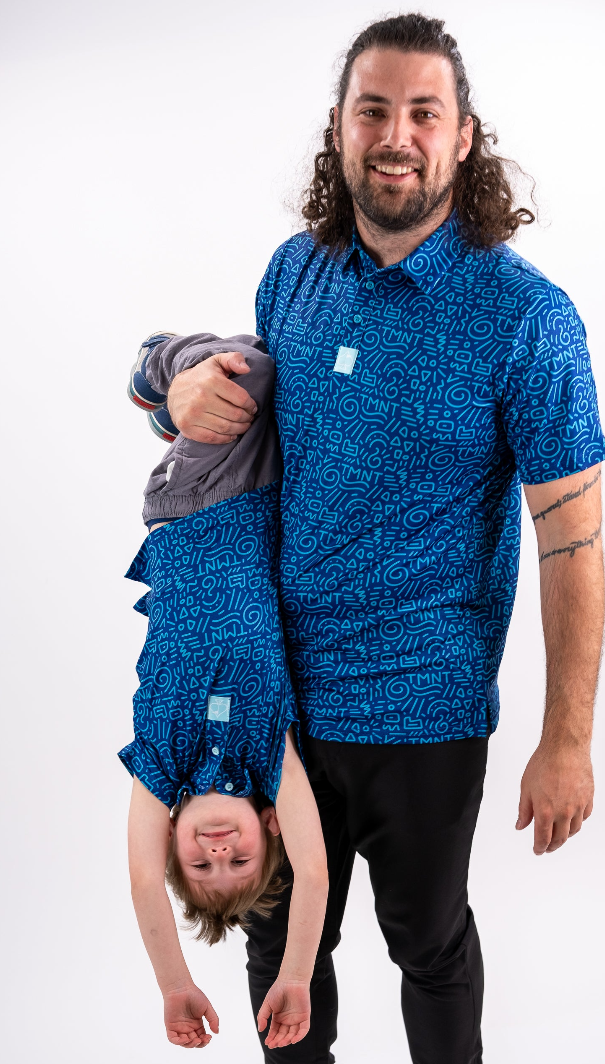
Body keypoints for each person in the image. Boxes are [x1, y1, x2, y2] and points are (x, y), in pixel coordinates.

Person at [134, 13, 605, 1062]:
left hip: (423, 708)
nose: (396, 136)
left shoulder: (527, 319)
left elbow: (572, 543)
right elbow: (222, 420)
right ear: (340, 128)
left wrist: (567, 737)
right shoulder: (293, 273)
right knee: (278, 945)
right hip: (278, 699)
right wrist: (172, 388)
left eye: (423, 113)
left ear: (464, 136)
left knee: (427, 943)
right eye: (373, 110)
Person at [122, 338, 328, 1052]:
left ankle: (156, 367)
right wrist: (295, 975)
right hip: (263, 502)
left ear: (171, 840)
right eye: (238, 862)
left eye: (199, 863)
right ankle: (176, 394)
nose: (218, 850)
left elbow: (142, 880)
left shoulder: (162, 761)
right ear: (269, 829)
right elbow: (314, 874)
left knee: (251, 369)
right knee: (301, 381)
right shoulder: (270, 755)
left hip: (194, 507)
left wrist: (174, 986)